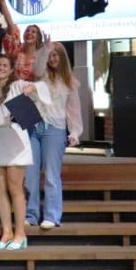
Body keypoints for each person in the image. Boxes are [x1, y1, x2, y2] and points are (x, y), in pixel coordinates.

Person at [0, 54, 48, 250]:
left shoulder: (18, 85)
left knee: (15, 187)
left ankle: (20, 234)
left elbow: (43, 88)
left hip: (17, 141)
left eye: (5, 65)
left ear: (11, 69)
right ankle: (6, 233)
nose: (1, 68)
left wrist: (33, 88)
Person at [28, 38, 83, 229]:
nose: (52, 59)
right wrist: (45, 48)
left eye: (55, 55)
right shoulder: (40, 76)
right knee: (30, 175)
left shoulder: (70, 82)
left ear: (63, 58)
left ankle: (51, 215)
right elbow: (37, 67)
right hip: (33, 127)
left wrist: (74, 131)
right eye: (50, 55)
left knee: (51, 175)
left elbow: (73, 110)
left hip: (55, 129)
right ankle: (31, 214)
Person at [0, 0, 43, 81]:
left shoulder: (40, 57)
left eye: (33, 32)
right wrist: (2, 2)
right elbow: (10, 24)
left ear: (38, 38)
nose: (29, 33)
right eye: (27, 30)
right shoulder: (17, 52)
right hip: (14, 89)